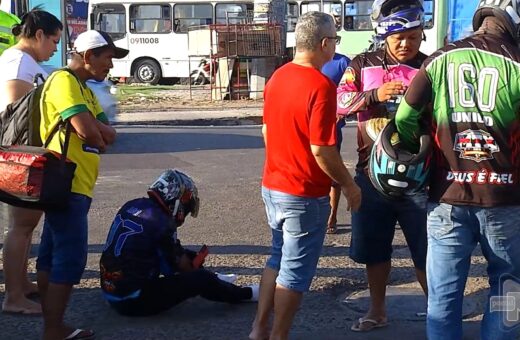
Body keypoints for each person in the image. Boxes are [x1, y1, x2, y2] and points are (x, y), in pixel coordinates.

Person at [395, 1, 520, 339]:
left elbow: (404, 118)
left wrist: (421, 146)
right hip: (505, 199)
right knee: (508, 292)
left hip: (446, 197)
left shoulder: (438, 59)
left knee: (443, 299)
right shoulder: (518, 64)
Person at [249, 12, 361, 340]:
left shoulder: (278, 78)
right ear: (324, 44)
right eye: (335, 41)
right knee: (295, 273)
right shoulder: (321, 86)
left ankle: (260, 329)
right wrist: (350, 185)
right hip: (303, 193)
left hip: (274, 185)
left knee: (277, 257)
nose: (335, 48)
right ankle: (278, 335)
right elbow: (322, 150)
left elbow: (267, 132)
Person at [336, 0, 428, 332]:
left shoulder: (432, 66)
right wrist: (375, 94)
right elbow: (340, 102)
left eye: (414, 37)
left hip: (420, 178)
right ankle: (377, 311)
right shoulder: (362, 64)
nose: (406, 44)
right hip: (370, 178)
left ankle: (438, 312)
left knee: (427, 251)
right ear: (384, 35)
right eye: (399, 37)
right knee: (375, 252)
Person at [36, 29, 124, 340]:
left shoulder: (84, 88)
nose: (111, 66)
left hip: (76, 185)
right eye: (108, 58)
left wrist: (97, 131)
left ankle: (52, 325)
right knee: (69, 258)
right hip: (67, 184)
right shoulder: (63, 82)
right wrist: (95, 131)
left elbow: (108, 133)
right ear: (88, 57)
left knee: (50, 253)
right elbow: (89, 133)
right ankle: (54, 328)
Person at [100, 169, 259, 316]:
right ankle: (246, 294)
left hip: (112, 289)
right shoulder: (162, 222)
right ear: (176, 200)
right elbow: (176, 268)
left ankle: (216, 279)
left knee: (177, 253)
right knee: (200, 278)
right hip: (132, 300)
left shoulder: (133, 204)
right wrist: (202, 275)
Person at [0, 9, 62, 316]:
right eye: (53, 40)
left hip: (26, 153)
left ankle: (21, 284)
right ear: (38, 35)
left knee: (24, 226)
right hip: (20, 154)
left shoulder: (26, 61)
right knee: (21, 227)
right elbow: (15, 104)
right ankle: (13, 296)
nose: (54, 48)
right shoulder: (17, 62)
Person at [321, 51, 351, 234]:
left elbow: (354, 88)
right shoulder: (305, 58)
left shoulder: (342, 62)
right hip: (309, 128)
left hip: (332, 129)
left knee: (332, 172)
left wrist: (343, 110)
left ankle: (332, 216)